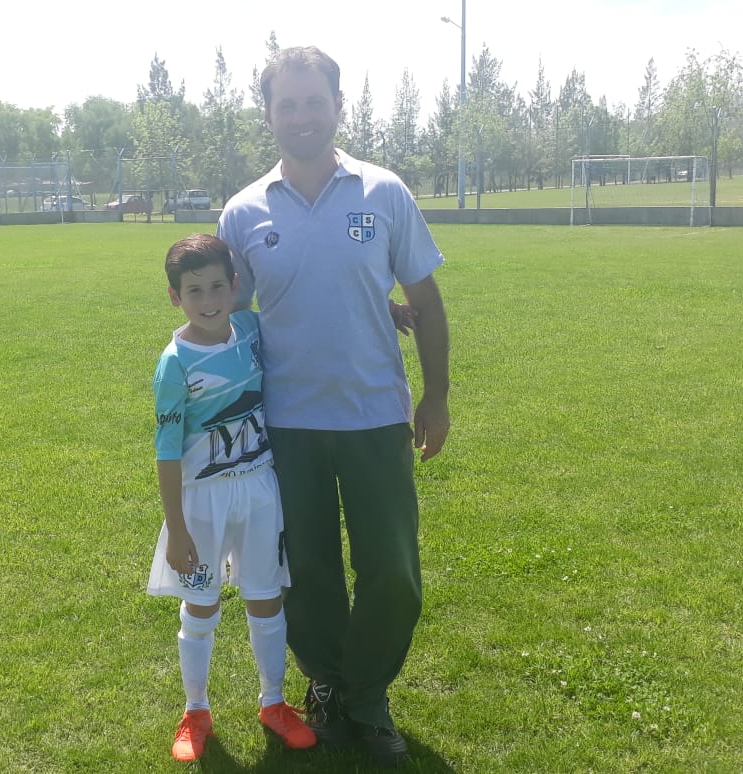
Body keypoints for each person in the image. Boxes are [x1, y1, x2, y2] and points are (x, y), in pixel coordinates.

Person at [216, 46, 451, 768]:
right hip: (287, 425)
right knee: (306, 569)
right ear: (268, 115)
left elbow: (425, 297)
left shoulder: (384, 192)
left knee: (393, 570)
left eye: (313, 101)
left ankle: (369, 697)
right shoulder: (243, 212)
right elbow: (226, 313)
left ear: (338, 106)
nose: (301, 116)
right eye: (286, 104)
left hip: (376, 417)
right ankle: (327, 683)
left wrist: (436, 396)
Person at [146, 233, 316, 763]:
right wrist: (177, 529)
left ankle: (273, 703)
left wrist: (386, 306)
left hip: (259, 489)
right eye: (194, 291)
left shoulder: (250, 328)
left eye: (217, 286)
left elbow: (308, 313)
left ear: (235, 286)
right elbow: (167, 453)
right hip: (202, 501)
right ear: (175, 297)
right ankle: (196, 711)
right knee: (202, 604)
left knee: (266, 597)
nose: (208, 300)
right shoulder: (174, 363)